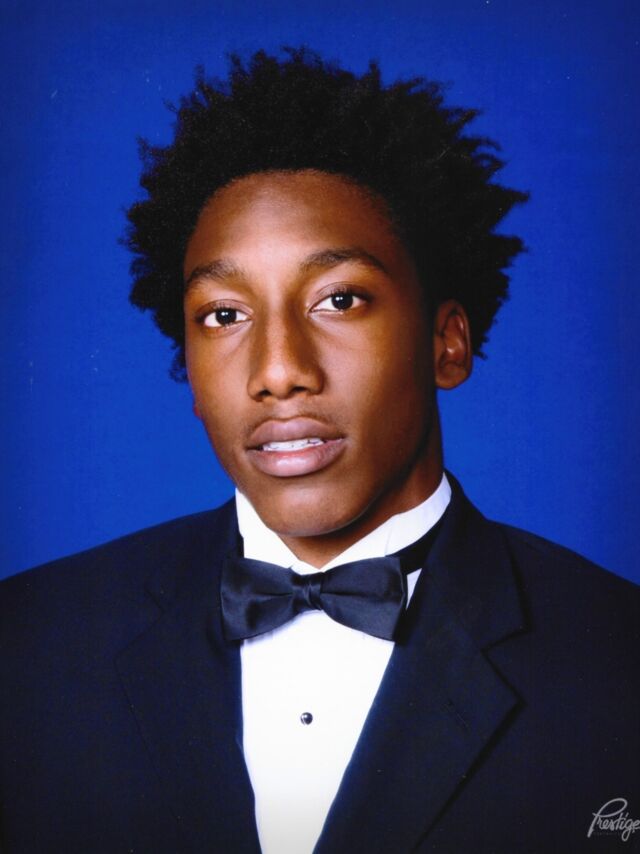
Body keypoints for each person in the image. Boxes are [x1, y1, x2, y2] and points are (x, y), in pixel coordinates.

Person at [1, 48, 638, 854]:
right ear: (187, 368)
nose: (278, 371)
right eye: (223, 315)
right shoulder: (25, 645)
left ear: (446, 343)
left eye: (339, 299)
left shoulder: (617, 660)